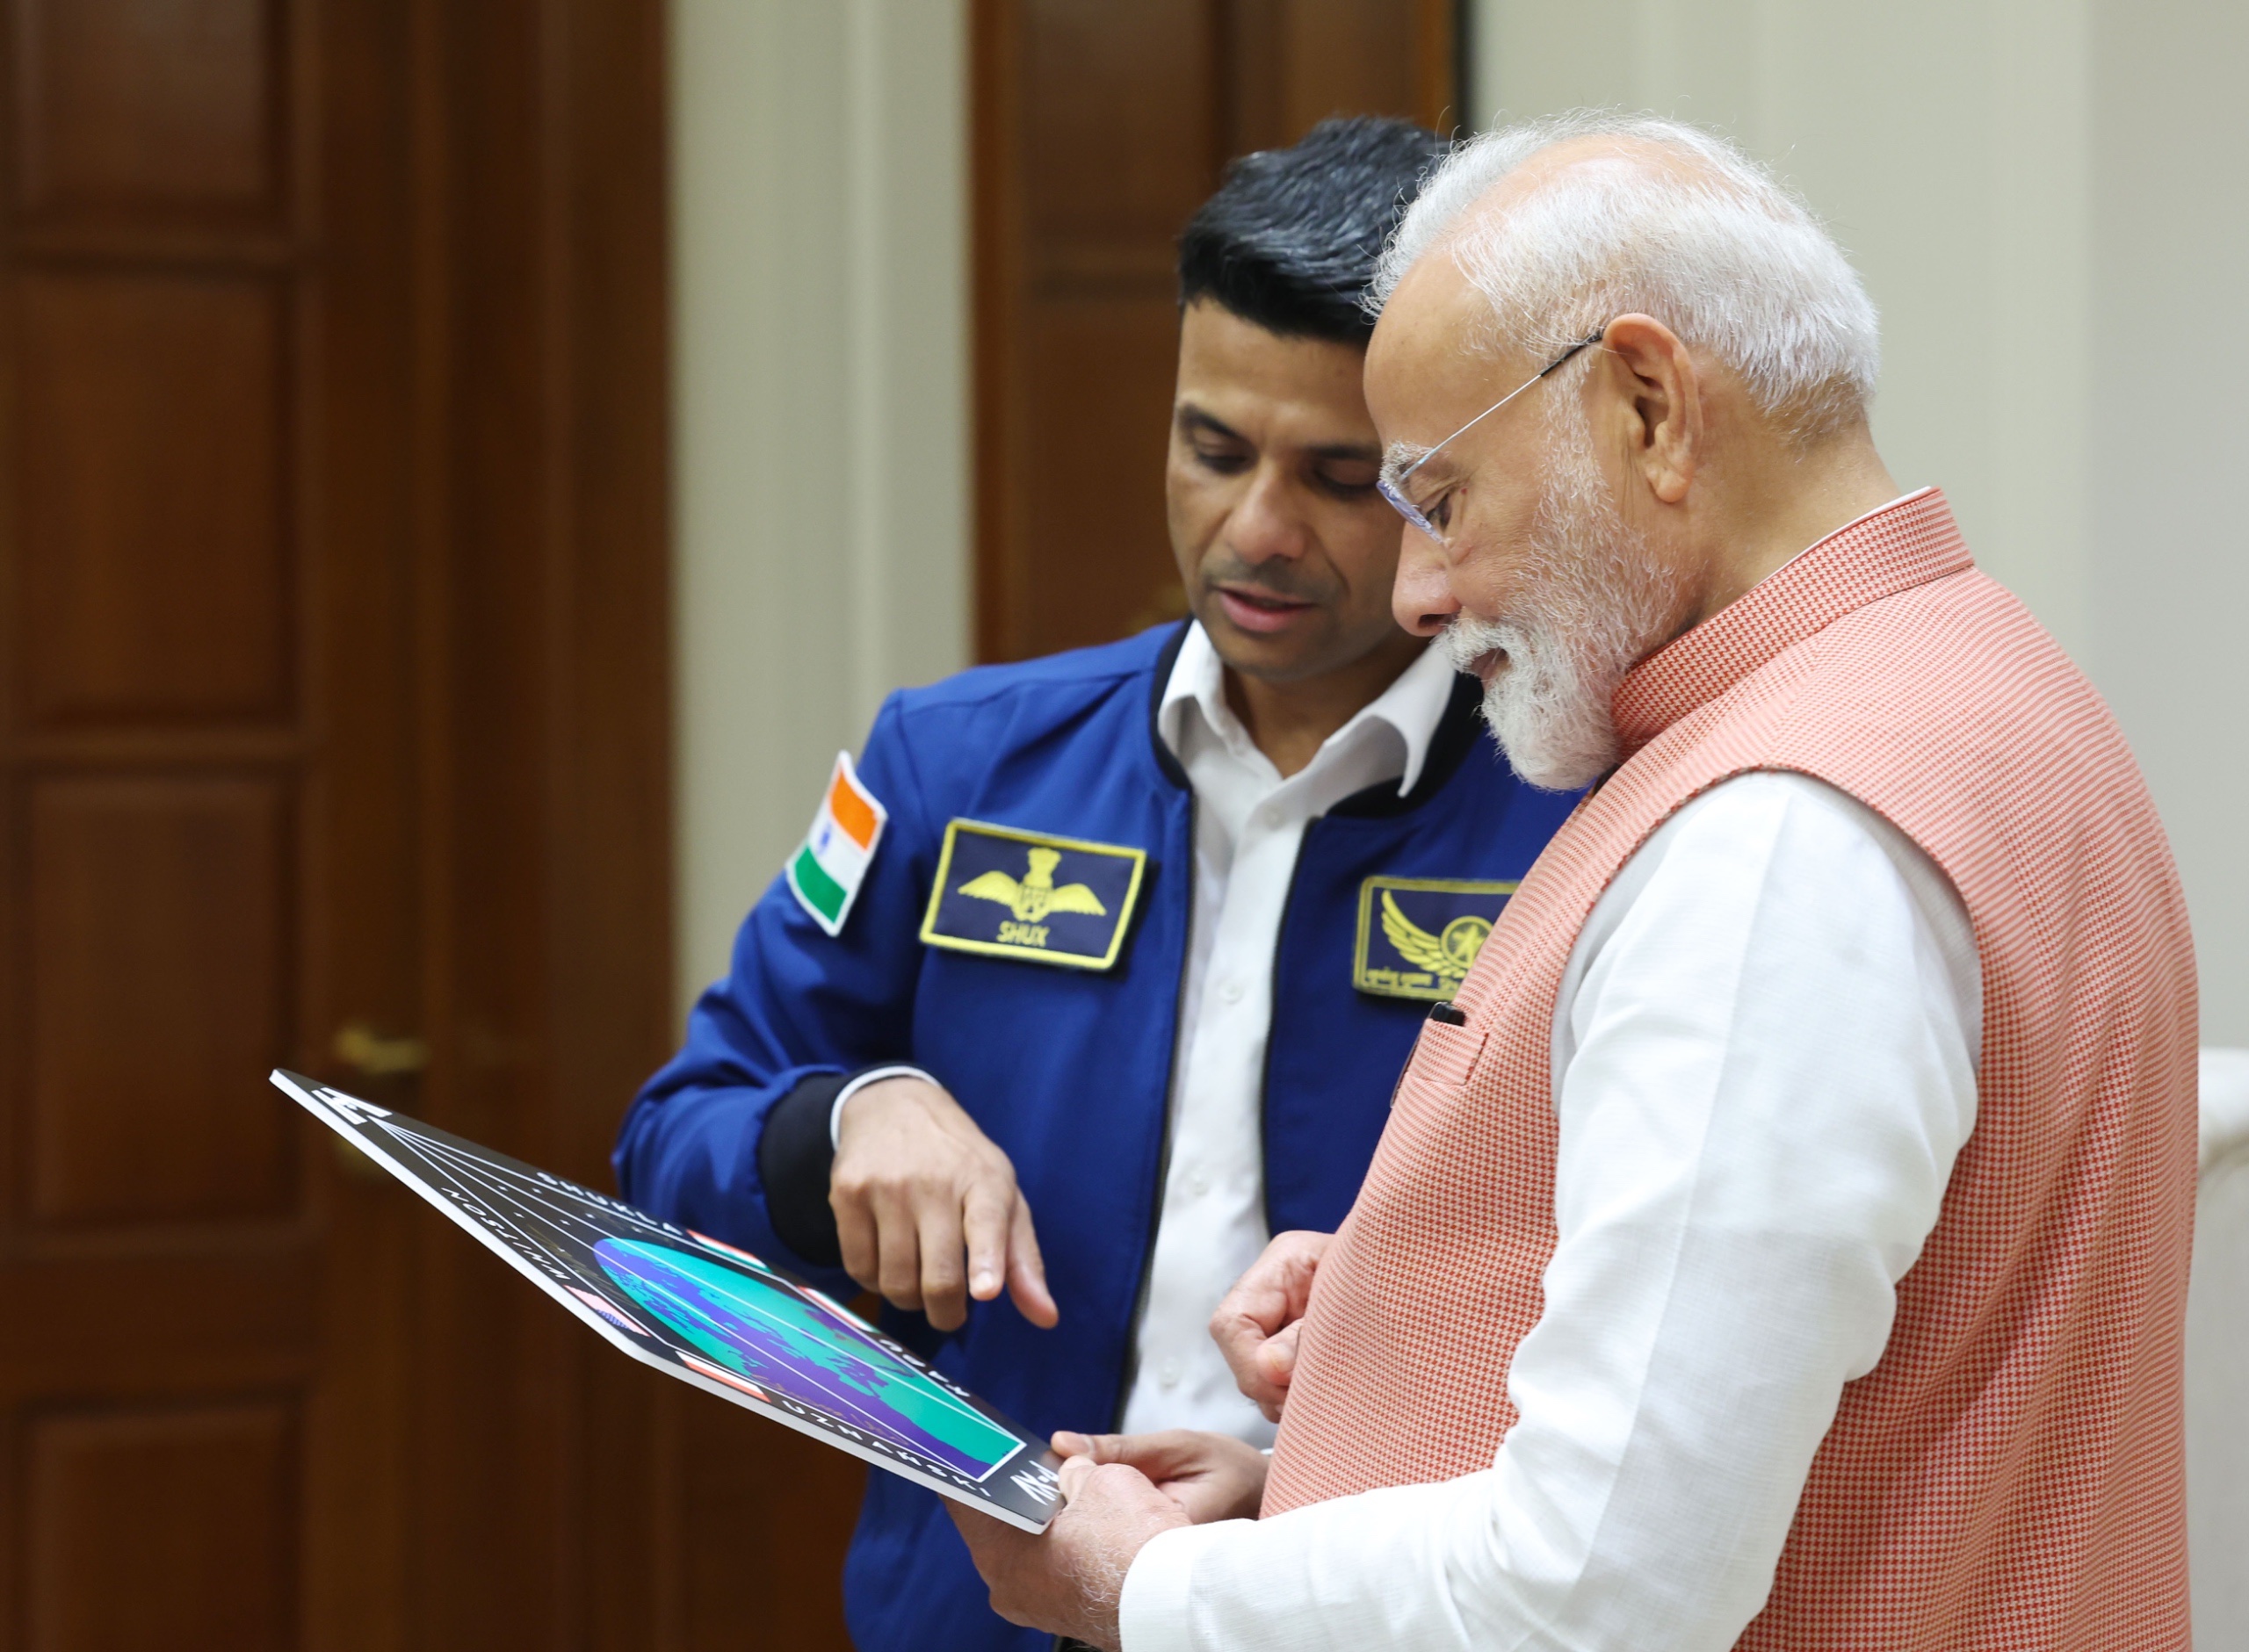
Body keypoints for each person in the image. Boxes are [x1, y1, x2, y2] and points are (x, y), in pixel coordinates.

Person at [950, 112, 2199, 1651]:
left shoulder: (1781, 836)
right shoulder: (1982, 683)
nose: (1418, 592)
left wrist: (1145, 1586)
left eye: (1439, 497)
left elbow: (1597, 1593)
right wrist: (1408, 1342)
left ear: (1650, 407)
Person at [613, 117, 1580, 1651]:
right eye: (1212, 447)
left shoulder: (1579, 815)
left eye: (1342, 475)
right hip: (981, 1610)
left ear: (1446, 476)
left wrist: (1291, 1480)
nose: (1256, 529)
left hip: (1360, 1610)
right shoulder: (953, 764)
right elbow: (673, 1141)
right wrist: (845, 1119)